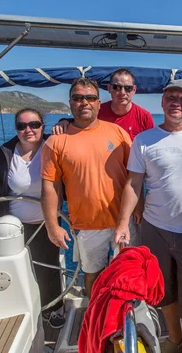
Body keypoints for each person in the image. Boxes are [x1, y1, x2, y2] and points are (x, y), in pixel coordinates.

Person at [114, 79, 182, 353]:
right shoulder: (144, 139)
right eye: (170, 96)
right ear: (162, 102)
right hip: (155, 228)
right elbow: (133, 184)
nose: (176, 102)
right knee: (163, 290)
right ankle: (176, 338)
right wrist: (123, 223)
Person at [41, 77, 132, 297]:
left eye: (90, 97)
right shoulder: (55, 142)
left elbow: (134, 176)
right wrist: (52, 225)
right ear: (70, 103)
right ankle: (94, 316)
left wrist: (136, 211)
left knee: (127, 271)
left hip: (124, 220)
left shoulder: (118, 134)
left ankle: (121, 318)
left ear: (99, 103)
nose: (84, 102)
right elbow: (50, 187)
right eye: (78, 98)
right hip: (87, 223)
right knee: (92, 273)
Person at [51, 68, 154, 237]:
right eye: (117, 87)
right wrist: (64, 121)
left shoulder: (144, 117)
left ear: (134, 90)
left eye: (127, 88)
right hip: (94, 201)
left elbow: (147, 162)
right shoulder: (98, 110)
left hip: (130, 191)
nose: (122, 92)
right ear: (109, 88)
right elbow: (82, 119)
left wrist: (139, 204)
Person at [0, 108, 65, 328]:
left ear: (43, 126)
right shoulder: (3, 154)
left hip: (46, 222)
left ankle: (53, 308)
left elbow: (78, 126)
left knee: (49, 268)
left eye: (34, 125)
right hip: (14, 225)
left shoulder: (55, 144)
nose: (28, 130)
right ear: (16, 129)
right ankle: (23, 310)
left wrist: (65, 121)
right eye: (21, 126)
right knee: (19, 269)